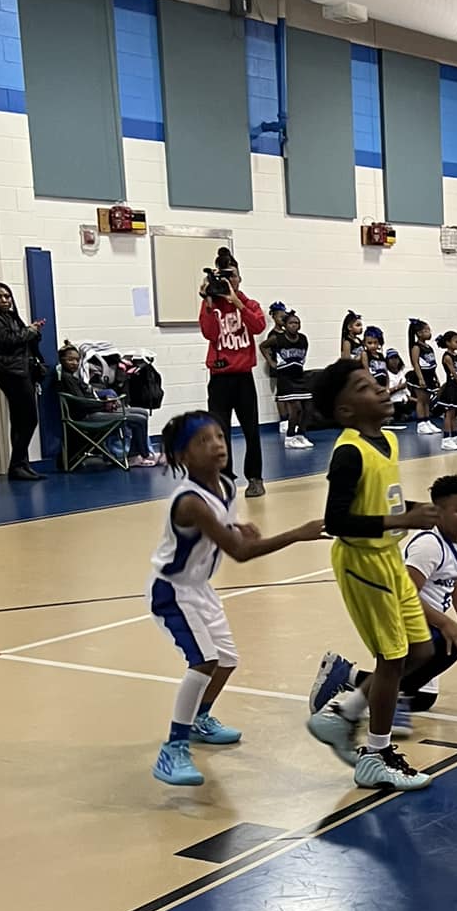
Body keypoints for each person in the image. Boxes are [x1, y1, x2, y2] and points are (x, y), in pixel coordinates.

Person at [147, 412, 323, 787]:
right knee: (203, 661)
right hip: (173, 590)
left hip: (201, 589)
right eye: (203, 441)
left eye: (219, 437)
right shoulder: (190, 501)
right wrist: (297, 534)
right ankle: (173, 748)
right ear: (183, 456)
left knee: (226, 660)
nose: (216, 445)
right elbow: (240, 554)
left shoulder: (226, 485)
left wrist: (236, 527)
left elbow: (223, 529)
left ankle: (198, 720)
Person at [303, 357, 449, 791]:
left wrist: (413, 511)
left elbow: (380, 507)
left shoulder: (387, 440)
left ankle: (344, 713)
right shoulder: (349, 452)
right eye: (365, 387)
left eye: (376, 382)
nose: (380, 389)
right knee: (393, 659)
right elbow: (339, 520)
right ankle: (375, 754)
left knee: (422, 652)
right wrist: (401, 522)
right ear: (346, 411)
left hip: (387, 558)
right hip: (363, 563)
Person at [317, 474, 457, 740]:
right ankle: (379, 704)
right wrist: (446, 623)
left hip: (427, 620)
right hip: (399, 615)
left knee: (424, 698)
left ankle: (346, 674)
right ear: (438, 514)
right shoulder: (428, 547)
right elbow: (404, 596)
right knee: (445, 646)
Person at [199, 254, 268, 496]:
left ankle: (255, 478)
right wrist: (208, 300)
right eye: (224, 276)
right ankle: (225, 478)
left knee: (251, 430)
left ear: (239, 279)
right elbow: (208, 333)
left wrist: (237, 302)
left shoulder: (250, 304)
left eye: (233, 276)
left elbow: (259, 326)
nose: (229, 281)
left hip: (243, 378)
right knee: (220, 432)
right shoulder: (212, 305)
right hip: (219, 378)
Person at [0, 281, 45, 479]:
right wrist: (29, 331)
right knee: (30, 418)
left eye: (7, 296)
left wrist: (33, 332)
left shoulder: (11, 317)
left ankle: (21, 465)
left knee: (18, 420)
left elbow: (21, 339)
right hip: (10, 373)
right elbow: (8, 340)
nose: (5, 300)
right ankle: (17, 463)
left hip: (20, 370)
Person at [57, 341, 159, 467]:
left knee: (142, 413)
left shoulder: (73, 377)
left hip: (94, 410)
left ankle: (137, 454)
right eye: (70, 360)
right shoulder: (67, 379)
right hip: (87, 416)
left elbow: (90, 393)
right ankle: (142, 454)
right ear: (61, 360)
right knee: (138, 419)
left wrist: (105, 396)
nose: (75, 363)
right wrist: (104, 405)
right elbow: (81, 404)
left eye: (77, 360)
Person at [264, 312, 313, 448]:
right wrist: (271, 361)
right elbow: (263, 346)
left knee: (308, 408)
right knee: (295, 408)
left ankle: (301, 434)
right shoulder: (278, 338)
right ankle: (289, 437)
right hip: (285, 378)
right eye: (291, 323)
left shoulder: (303, 339)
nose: (294, 325)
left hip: (299, 376)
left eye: (297, 323)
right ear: (285, 325)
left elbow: (303, 355)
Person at [408, 319, 442, 439]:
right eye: (426, 330)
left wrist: (436, 377)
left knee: (427, 400)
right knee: (421, 400)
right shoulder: (416, 347)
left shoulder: (429, 347)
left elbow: (432, 364)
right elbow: (415, 363)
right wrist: (420, 378)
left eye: (429, 330)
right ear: (419, 333)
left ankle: (427, 420)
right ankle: (421, 423)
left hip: (429, 376)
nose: (429, 333)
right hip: (420, 377)